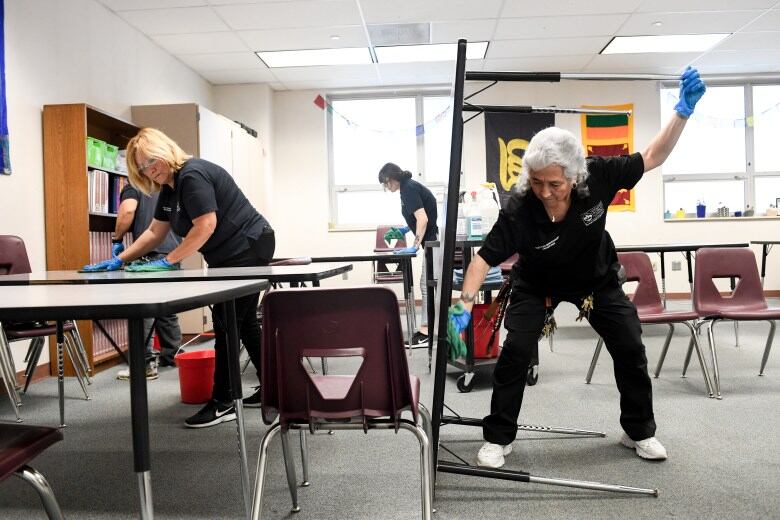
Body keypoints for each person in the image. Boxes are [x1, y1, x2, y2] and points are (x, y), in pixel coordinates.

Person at [449, 66, 706, 468]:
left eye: (555, 184)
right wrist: (463, 304)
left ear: (574, 174)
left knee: (630, 344)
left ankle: (639, 431)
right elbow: (483, 259)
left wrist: (682, 113)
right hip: (537, 285)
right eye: (537, 182)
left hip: (595, 281)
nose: (545, 192)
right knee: (515, 350)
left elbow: (653, 155)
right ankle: (498, 437)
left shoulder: (600, 176)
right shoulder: (520, 208)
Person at [84, 127, 275, 429]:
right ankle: (273, 391)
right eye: (142, 167)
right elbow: (154, 232)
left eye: (150, 161)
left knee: (228, 323)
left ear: (164, 150)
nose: (149, 170)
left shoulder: (192, 175)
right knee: (244, 321)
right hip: (229, 253)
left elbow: (206, 224)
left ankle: (224, 401)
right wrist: (117, 260)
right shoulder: (170, 188)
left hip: (248, 245)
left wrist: (168, 260)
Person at [112, 182, 183, 381]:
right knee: (166, 308)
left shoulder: (133, 185)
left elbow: (127, 211)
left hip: (148, 255)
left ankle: (144, 364)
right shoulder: (169, 184)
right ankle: (173, 355)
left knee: (143, 312)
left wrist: (117, 238)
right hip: (173, 252)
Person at [378, 162, 438, 346]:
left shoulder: (408, 188)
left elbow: (423, 218)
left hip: (433, 240)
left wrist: (414, 244)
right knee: (427, 284)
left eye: (386, 183)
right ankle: (427, 329)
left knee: (426, 285)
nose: (387, 187)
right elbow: (416, 216)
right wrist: (404, 230)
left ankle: (426, 332)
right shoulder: (408, 188)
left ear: (391, 178)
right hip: (431, 240)